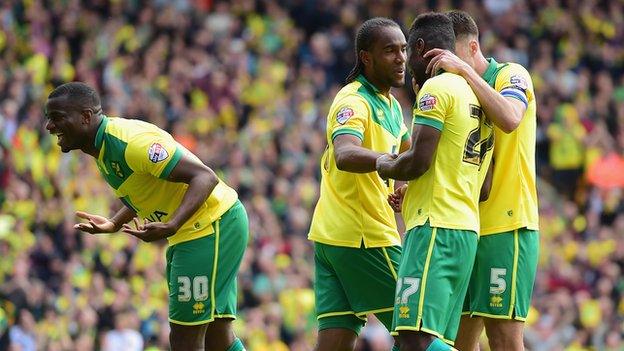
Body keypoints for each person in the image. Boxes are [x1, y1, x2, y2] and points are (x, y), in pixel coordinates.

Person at [44, 82, 249, 351]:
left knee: (184, 339)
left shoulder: (130, 143)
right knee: (216, 336)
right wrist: (115, 222)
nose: (49, 126)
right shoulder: (103, 149)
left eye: (57, 117)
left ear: (85, 117)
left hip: (211, 225)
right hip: (196, 232)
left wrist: (172, 224)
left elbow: (204, 177)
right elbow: (144, 190)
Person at [376, 12, 493, 351]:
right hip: (464, 231)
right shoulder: (477, 93)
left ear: (421, 48)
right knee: (423, 338)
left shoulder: (437, 89)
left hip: (435, 229)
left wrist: (384, 164)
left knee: (414, 338)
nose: (404, 62)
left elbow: (418, 161)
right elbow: (480, 184)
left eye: (407, 52)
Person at [423, 11, 539, 351]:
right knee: (459, 339)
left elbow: (510, 118)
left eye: (453, 58)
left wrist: (464, 72)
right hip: (466, 228)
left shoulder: (510, 74)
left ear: (473, 47)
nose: (448, 68)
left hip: (507, 225)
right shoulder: (458, 92)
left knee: (503, 338)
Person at [307, 17, 410, 351]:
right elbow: (345, 153)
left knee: (334, 343)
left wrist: (404, 184)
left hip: (333, 238)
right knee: (417, 333)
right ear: (366, 57)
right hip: (364, 237)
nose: (401, 58)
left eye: (404, 49)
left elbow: (411, 156)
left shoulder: (392, 105)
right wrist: (386, 162)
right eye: (390, 50)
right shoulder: (353, 100)